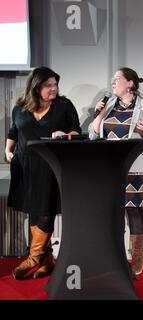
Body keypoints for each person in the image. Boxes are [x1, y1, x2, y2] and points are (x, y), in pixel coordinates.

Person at [5, 67, 81, 280]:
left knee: (46, 211)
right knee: (33, 211)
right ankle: (47, 260)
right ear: (36, 87)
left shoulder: (64, 106)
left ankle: (33, 257)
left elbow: (77, 131)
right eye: (48, 85)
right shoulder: (20, 108)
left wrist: (65, 134)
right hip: (24, 166)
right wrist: (7, 150)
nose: (53, 89)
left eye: (55, 85)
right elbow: (14, 131)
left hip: (51, 166)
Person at [88, 67, 143, 279]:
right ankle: (115, 257)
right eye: (112, 79)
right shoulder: (108, 104)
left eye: (117, 79)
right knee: (112, 212)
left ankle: (137, 258)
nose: (113, 82)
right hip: (109, 167)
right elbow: (93, 134)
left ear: (130, 83)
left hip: (135, 166)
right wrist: (99, 112)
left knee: (135, 211)